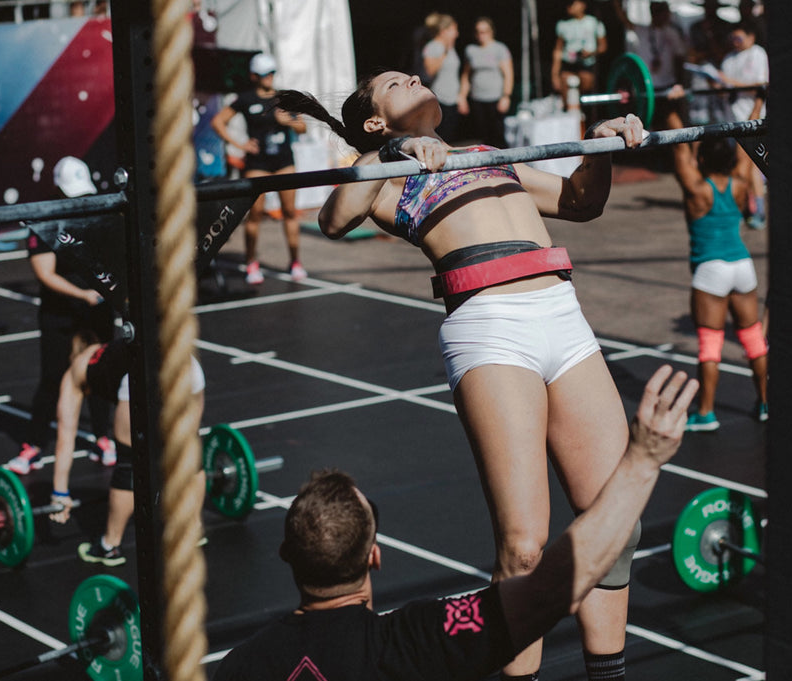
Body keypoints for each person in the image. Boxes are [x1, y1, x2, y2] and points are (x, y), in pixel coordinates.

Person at [272, 71, 645, 681]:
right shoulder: (387, 174)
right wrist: (392, 155)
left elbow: (582, 201)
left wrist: (598, 145)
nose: (414, 76)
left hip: (562, 315)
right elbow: (334, 221)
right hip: (491, 325)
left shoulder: (488, 155)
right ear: (374, 121)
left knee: (617, 524)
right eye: (396, 81)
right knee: (524, 547)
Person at [212, 365, 698, 681]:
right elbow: (552, 590)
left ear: (286, 557)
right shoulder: (412, 641)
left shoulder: (239, 668)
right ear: (375, 556)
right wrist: (642, 461)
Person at [49, 336, 207, 565]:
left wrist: (60, 493)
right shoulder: (112, 351)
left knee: (129, 463)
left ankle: (109, 545)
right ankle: (194, 529)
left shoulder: (74, 372)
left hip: (140, 377)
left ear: (72, 354)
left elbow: (65, 437)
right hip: (189, 367)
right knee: (190, 450)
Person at [6, 156, 116, 476]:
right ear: (58, 190)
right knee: (52, 378)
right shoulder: (45, 221)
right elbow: (45, 273)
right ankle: (33, 446)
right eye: (73, 196)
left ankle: (102, 438)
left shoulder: (98, 213)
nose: (79, 202)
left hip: (97, 310)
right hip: (60, 312)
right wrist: (83, 294)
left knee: (99, 374)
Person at [666, 110, 768, 431]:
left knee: (711, 345)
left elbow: (679, 147)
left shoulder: (697, 188)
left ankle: (707, 413)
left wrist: (673, 106)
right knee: (753, 339)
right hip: (742, 265)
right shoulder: (740, 183)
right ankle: (766, 403)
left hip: (711, 271)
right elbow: (746, 140)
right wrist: (756, 105)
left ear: (704, 158)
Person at [211, 53, 309, 284]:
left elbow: (303, 127)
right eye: (265, 74)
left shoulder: (284, 98)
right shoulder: (244, 99)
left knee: (289, 212)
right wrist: (239, 144)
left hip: (284, 161)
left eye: (272, 73)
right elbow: (217, 122)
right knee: (254, 214)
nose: (269, 78)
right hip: (258, 163)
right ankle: (251, 261)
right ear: (255, 76)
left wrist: (290, 122)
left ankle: (295, 261)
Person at [718, 19, 768, 229]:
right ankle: (753, 207)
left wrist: (755, 113)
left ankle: (754, 209)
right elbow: (724, 91)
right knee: (748, 168)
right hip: (732, 118)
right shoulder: (728, 58)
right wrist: (717, 83)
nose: (735, 42)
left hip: (751, 119)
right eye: (732, 38)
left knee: (747, 167)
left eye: (739, 38)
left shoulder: (757, 53)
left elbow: (762, 86)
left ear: (751, 37)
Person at [459, 17, 514, 149]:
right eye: (478, 31)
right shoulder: (471, 50)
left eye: (484, 31)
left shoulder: (499, 49)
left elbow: (508, 74)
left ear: (491, 32)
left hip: (495, 98)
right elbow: (466, 75)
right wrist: (462, 97)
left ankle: (505, 164)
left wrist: (506, 96)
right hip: (477, 98)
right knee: (482, 136)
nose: (481, 35)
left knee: (498, 135)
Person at [551, 0, 608, 100]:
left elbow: (603, 46)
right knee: (567, 85)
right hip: (569, 65)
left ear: (582, 5)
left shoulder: (594, 22)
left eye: (572, 4)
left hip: (587, 65)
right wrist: (555, 75)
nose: (569, 7)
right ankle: (570, 110)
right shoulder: (563, 25)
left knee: (585, 83)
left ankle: (581, 110)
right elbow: (558, 50)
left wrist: (591, 53)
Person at [422, 13, 464, 143]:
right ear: (444, 31)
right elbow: (430, 71)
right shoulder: (432, 47)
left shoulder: (450, 47)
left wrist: (460, 96)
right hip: (440, 98)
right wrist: (444, 54)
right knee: (442, 137)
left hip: (452, 98)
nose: (456, 34)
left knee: (451, 136)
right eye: (453, 30)